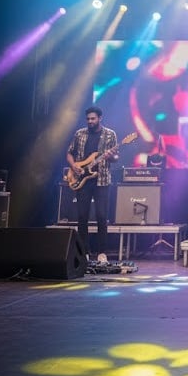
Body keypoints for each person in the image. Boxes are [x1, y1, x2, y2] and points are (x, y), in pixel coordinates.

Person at [66, 106, 118, 263]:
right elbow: (69, 153)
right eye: (88, 119)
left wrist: (110, 157)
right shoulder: (79, 134)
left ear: (100, 118)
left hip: (102, 180)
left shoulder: (110, 134)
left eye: (93, 118)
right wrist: (74, 166)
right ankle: (84, 252)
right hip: (82, 180)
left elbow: (116, 158)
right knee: (82, 216)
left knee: (102, 216)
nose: (90, 121)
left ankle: (102, 252)